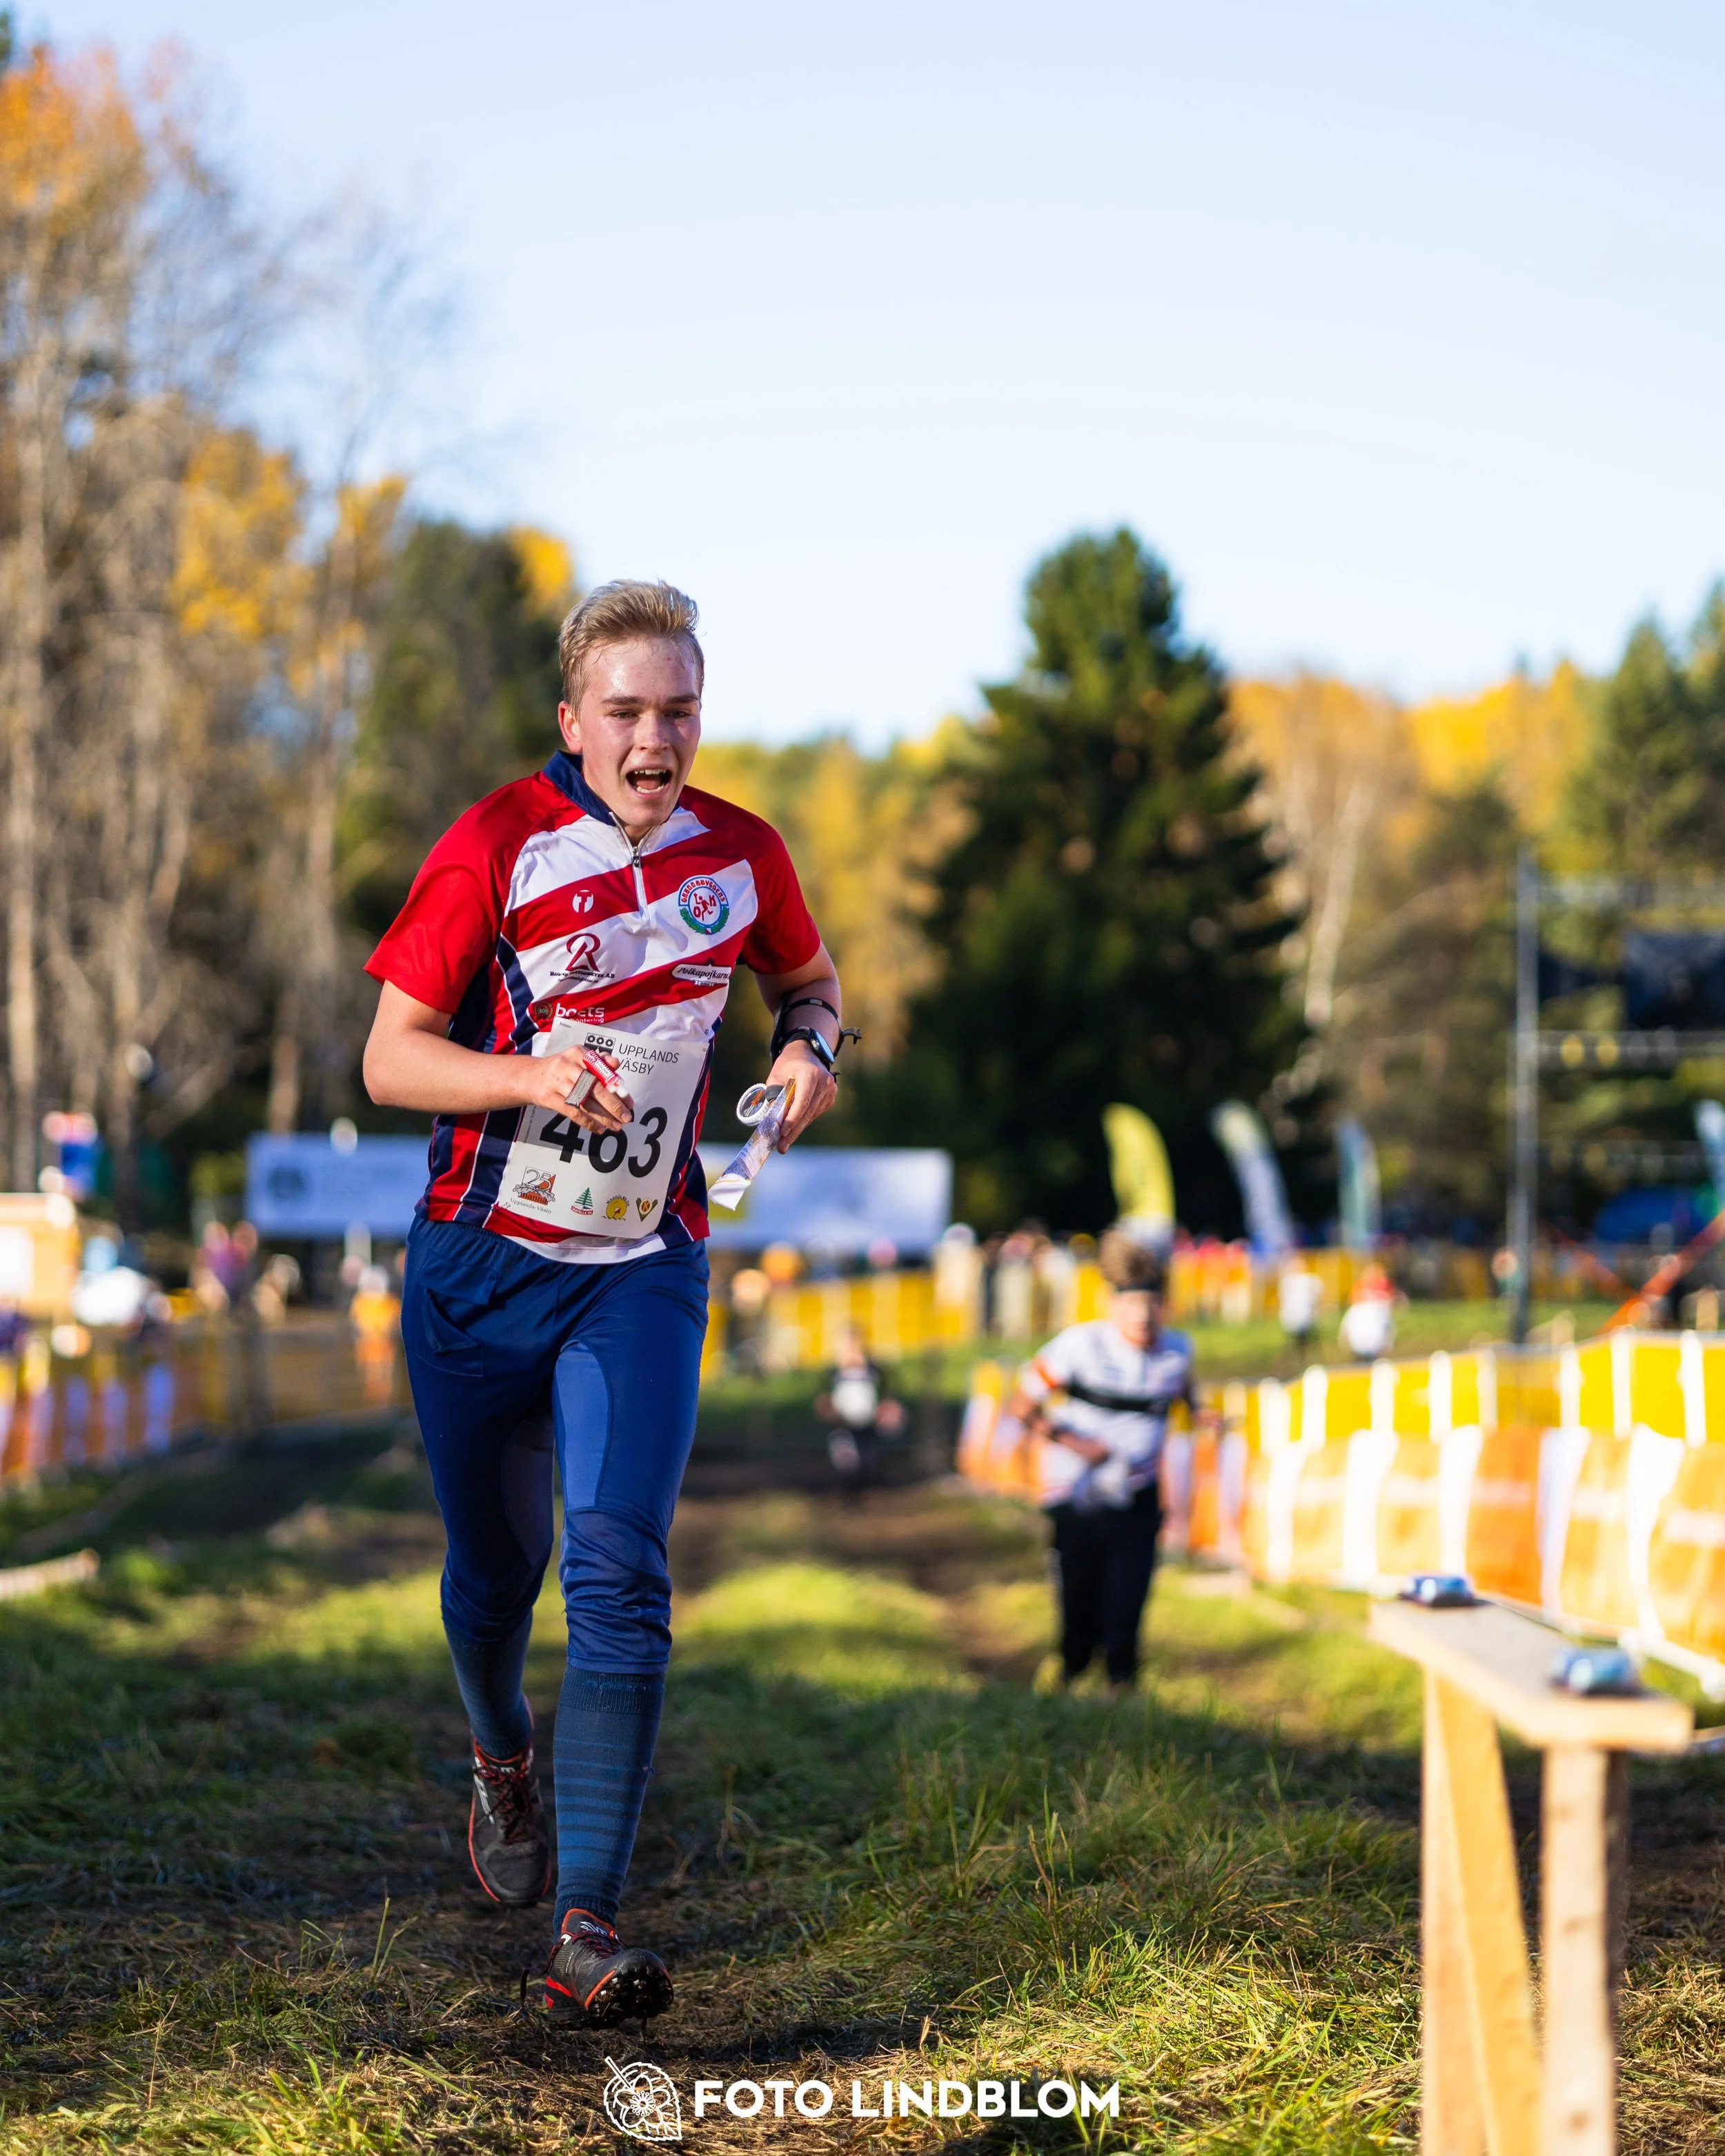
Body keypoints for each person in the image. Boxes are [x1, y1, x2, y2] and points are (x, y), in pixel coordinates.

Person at [361, 581, 845, 2030]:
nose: (655, 739)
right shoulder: (497, 843)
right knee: (491, 1581)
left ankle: (585, 1920)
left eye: (679, 711)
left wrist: (812, 1052)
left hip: (640, 1266)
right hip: (478, 1266)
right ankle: (499, 1748)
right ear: (574, 720)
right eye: (626, 712)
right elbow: (390, 1057)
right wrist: (525, 1075)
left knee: (620, 1568)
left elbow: (810, 985)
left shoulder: (741, 852)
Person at [1005, 1235, 1197, 1692]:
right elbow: (1020, 1405)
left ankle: (1122, 1688)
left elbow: (1184, 1390)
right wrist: (1072, 1440)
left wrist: (1201, 1411)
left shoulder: (1178, 1350)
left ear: (1164, 1306)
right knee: (1079, 1597)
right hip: (1077, 1491)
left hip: (1138, 1493)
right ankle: (1067, 1675)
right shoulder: (1079, 1345)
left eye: (1152, 1305)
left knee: (1129, 1597)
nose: (1143, 1316)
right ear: (1113, 1306)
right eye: (1133, 1305)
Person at [814, 1323, 905, 1499]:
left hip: (869, 1425)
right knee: (847, 1463)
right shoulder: (832, 1373)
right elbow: (822, 1400)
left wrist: (885, 1411)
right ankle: (850, 1495)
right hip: (842, 1426)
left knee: (869, 1462)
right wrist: (829, 1411)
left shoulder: (874, 1370)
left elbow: (887, 1396)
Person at [1339, 1260, 1400, 1361]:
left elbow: (1344, 1333)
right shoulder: (1377, 1308)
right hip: (1374, 1346)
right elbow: (1391, 1330)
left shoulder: (1356, 1309)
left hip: (1360, 1346)